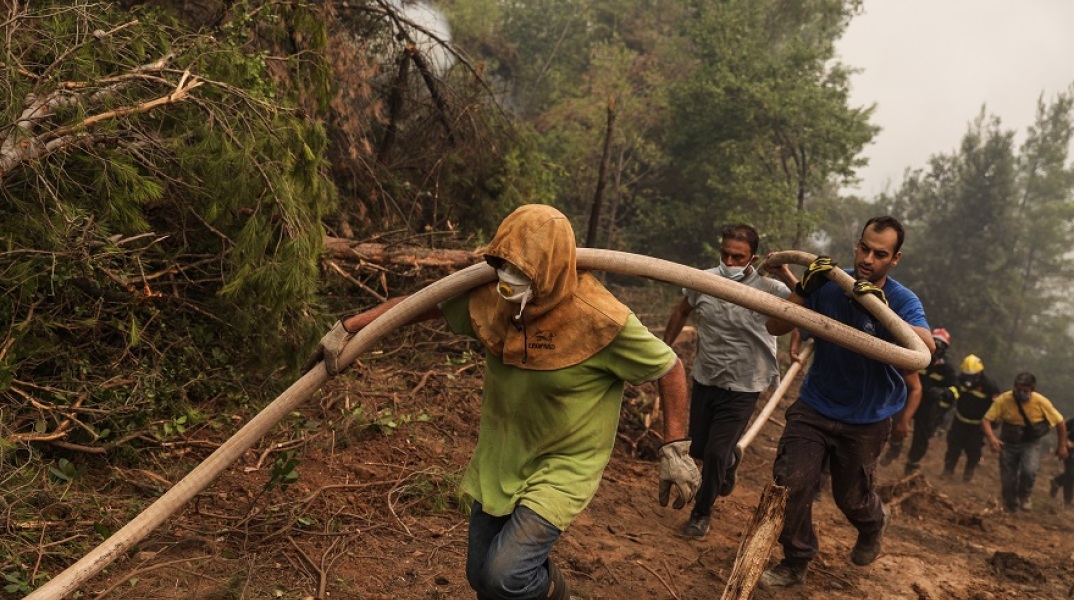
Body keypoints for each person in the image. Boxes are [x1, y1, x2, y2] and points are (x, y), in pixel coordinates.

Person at [305, 204, 701, 600]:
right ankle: (543, 586)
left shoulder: (601, 318)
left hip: (563, 466)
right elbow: (426, 304)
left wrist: (675, 450)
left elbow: (669, 368)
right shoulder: (493, 295)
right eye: (504, 265)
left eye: (523, 271)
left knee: (503, 577)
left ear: (548, 270)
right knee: (481, 578)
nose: (509, 279)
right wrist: (353, 328)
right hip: (501, 457)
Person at [759, 216, 932, 588]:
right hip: (816, 405)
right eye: (864, 248)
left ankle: (873, 523)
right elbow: (776, 327)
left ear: (895, 259)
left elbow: (926, 348)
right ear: (856, 245)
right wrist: (804, 287)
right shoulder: (828, 283)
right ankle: (796, 559)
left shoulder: (901, 299)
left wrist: (885, 313)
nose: (868, 259)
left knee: (851, 498)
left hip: (868, 417)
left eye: (880, 254)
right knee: (792, 482)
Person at [662, 224, 794, 539]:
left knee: (715, 454)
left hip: (745, 384)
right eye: (726, 255)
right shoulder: (703, 280)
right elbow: (681, 311)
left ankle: (701, 514)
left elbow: (805, 306)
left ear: (754, 258)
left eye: (739, 257)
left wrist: (787, 273)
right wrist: (663, 351)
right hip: (707, 376)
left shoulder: (770, 289)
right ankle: (732, 458)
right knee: (700, 448)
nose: (731, 263)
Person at [982, 372, 1068, 513]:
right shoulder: (1004, 399)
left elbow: (1060, 421)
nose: (1021, 393)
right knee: (1007, 476)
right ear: (1014, 387)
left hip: (1030, 443)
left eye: (1025, 391)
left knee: (1029, 470)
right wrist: (992, 438)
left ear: (1032, 390)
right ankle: (1010, 505)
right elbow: (986, 420)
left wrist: (1062, 445)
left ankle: (1025, 496)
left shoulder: (1041, 402)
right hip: (1008, 443)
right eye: (1019, 390)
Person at [901, 328, 960, 475]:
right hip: (907, 398)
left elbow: (956, 389)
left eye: (942, 345)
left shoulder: (947, 368)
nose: (937, 347)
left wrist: (943, 392)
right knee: (896, 423)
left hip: (928, 404)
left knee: (922, 435)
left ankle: (912, 464)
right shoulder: (918, 356)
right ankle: (893, 449)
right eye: (935, 342)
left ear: (945, 349)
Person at [941, 354, 999, 481]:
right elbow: (954, 392)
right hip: (959, 421)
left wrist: (994, 423)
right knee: (953, 448)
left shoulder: (989, 386)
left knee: (974, 451)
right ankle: (947, 471)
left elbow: (996, 407)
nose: (968, 379)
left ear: (979, 373)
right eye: (967, 375)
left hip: (977, 426)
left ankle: (968, 475)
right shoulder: (959, 380)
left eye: (971, 376)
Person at [1049, 417, 1074, 509]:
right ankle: (1067, 501)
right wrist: (1064, 443)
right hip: (1071, 451)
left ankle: (1057, 481)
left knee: (1070, 474)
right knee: (1071, 474)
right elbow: (1062, 430)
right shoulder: (1072, 421)